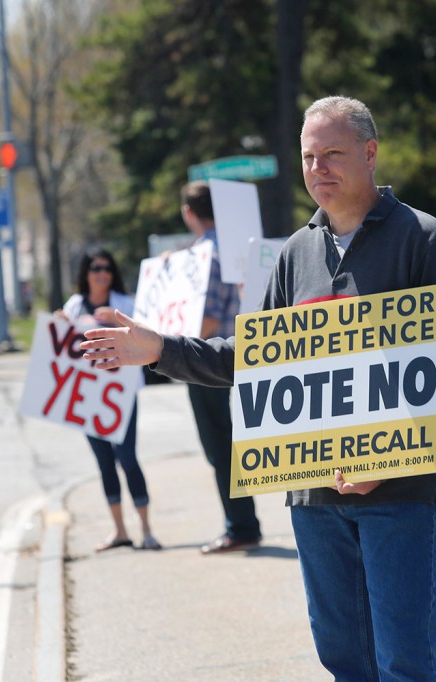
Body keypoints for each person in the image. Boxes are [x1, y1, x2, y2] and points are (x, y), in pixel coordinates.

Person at [81, 96, 436, 680]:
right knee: (344, 661)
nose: (319, 169)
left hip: (401, 497)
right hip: (315, 500)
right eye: (310, 157)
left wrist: (383, 460)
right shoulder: (295, 253)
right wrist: (162, 349)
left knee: (406, 663)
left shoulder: (423, 239)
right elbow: (254, 358)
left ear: (370, 153)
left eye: (333, 154)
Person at [57, 247, 161, 552]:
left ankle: (146, 529)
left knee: (127, 458)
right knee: (104, 462)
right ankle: (119, 531)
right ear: (85, 273)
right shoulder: (75, 305)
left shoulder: (123, 305)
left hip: (119, 393)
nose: (102, 274)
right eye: (95, 268)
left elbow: (148, 339)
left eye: (107, 268)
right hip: (87, 393)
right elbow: (65, 347)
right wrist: (61, 323)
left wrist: (118, 325)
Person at [179, 180, 262, 554]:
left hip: (207, 358)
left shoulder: (205, 254)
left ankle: (241, 526)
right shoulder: (225, 249)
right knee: (227, 442)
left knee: (219, 446)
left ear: (189, 213)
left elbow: (208, 319)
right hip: (233, 355)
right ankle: (242, 522)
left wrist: (176, 351)